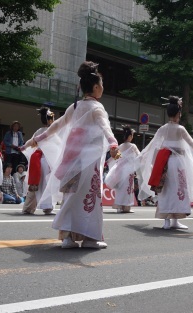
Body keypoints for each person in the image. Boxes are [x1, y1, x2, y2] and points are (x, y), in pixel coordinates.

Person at [29, 61, 118, 249]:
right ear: (95, 87)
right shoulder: (96, 108)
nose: (103, 88)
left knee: (70, 196)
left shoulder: (75, 106)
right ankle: (89, 238)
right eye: (101, 84)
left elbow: (57, 125)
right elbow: (105, 127)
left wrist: (39, 138)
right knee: (90, 198)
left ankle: (68, 237)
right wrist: (112, 143)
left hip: (71, 158)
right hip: (89, 160)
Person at [137, 96, 193, 230]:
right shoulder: (180, 129)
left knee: (165, 190)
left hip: (164, 164)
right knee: (178, 189)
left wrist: (141, 155)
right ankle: (175, 220)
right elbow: (192, 144)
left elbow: (152, 144)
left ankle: (166, 221)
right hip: (177, 163)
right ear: (178, 113)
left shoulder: (162, 129)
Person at [20, 107, 56, 215]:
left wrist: (23, 146)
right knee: (47, 184)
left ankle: (28, 208)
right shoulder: (53, 130)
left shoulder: (39, 131)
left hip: (38, 160)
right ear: (50, 120)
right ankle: (47, 207)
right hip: (48, 160)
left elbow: (32, 141)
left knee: (35, 184)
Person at [105, 125, 140, 213]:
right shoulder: (133, 146)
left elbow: (116, 158)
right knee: (128, 189)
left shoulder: (120, 146)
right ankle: (126, 207)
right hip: (129, 170)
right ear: (129, 136)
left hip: (120, 169)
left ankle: (119, 207)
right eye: (132, 135)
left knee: (120, 189)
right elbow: (139, 157)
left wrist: (108, 162)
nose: (132, 137)